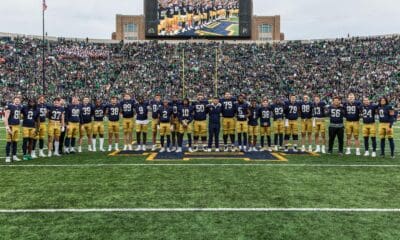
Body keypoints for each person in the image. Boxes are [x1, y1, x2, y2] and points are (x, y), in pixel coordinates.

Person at [4, 96, 22, 163]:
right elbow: (5, 118)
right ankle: (8, 157)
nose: (17, 101)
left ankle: (14, 156)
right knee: (9, 142)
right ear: (13, 100)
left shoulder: (19, 107)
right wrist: (7, 127)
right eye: (16, 100)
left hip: (17, 126)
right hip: (11, 126)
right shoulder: (10, 106)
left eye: (18, 100)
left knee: (15, 142)